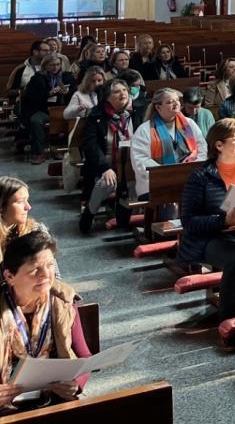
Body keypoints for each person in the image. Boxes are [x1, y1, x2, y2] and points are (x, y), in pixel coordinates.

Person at [178, 119, 235, 322]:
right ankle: (226, 318)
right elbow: (189, 221)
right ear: (219, 145)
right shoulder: (200, 176)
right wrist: (223, 221)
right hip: (210, 237)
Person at [0, 230, 90, 412]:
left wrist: (76, 383)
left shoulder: (63, 302)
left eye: (49, 265)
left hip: (54, 402)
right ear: (10, 277)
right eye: (35, 270)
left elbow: (84, 356)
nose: (46, 275)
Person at [130, 87, 207, 198]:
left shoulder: (189, 124)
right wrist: (169, 175)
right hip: (157, 184)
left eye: (177, 100)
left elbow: (202, 148)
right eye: (170, 102)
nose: (176, 104)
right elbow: (141, 160)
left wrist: (191, 169)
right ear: (158, 107)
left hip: (189, 177)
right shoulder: (144, 130)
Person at [78, 81, 133, 234]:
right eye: (117, 92)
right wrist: (105, 168)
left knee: (134, 182)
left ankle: (124, 213)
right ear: (107, 97)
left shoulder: (133, 114)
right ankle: (90, 212)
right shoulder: (97, 116)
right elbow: (91, 146)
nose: (123, 94)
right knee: (107, 182)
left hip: (129, 163)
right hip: (105, 163)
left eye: (125, 90)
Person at [19, 54, 74, 164]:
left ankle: (61, 149)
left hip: (62, 108)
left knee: (74, 118)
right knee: (35, 120)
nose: (55, 67)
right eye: (52, 65)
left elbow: (76, 91)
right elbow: (30, 96)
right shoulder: (37, 78)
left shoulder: (67, 76)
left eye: (58, 64)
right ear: (45, 65)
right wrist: (47, 94)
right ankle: (39, 152)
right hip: (43, 109)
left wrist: (67, 92)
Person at [0, 179, 36, 258]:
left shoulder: (35, 232)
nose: (28, 207)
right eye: (20, 201)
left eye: (27, 200)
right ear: (1, 207)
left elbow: (51, 267)